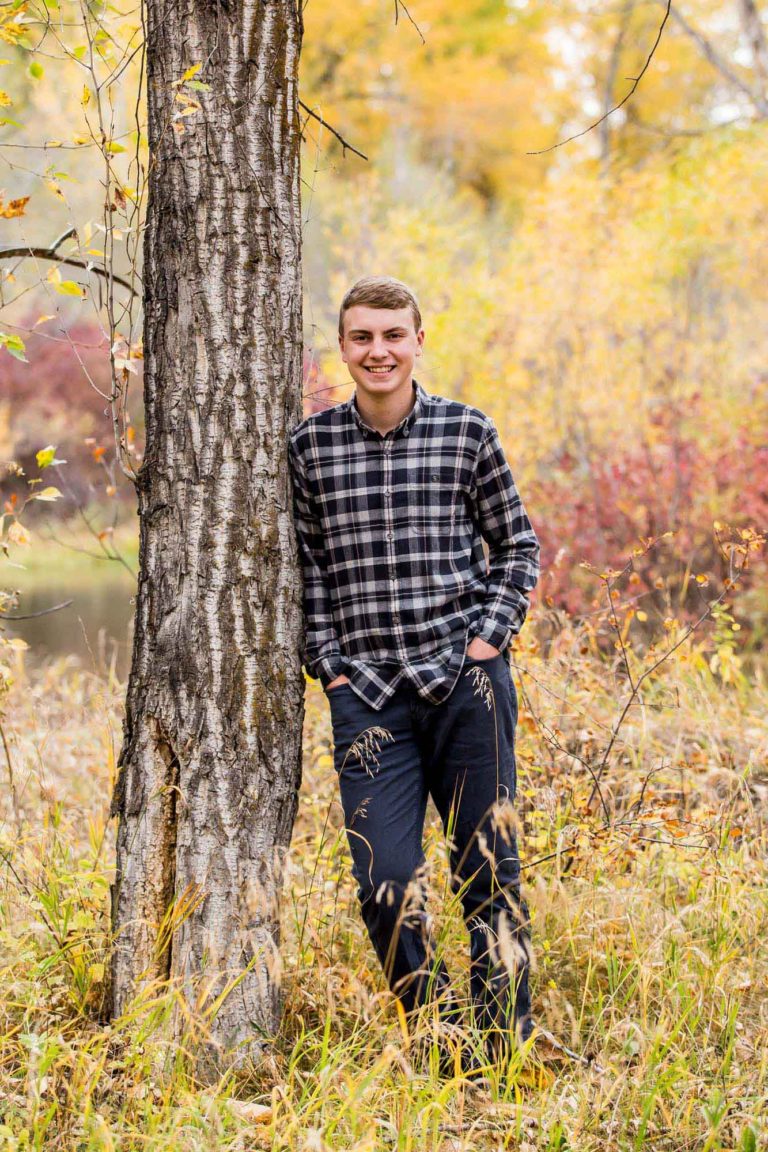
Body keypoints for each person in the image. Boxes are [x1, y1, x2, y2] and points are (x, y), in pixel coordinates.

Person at [288, 275, 541, 1073]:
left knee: (488, 874)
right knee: (386, 883)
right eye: (362, 337)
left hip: (465, 690)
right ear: (343, 347)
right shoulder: (311, 448)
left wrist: (488, 642)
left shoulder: (468, 433)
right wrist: (327, 665)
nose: (378, 351)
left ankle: (503, 1053)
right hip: (367, 701)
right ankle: (441, 1048)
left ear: (419, 341)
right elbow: (310, 573)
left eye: (393, 335)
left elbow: (519, 549)